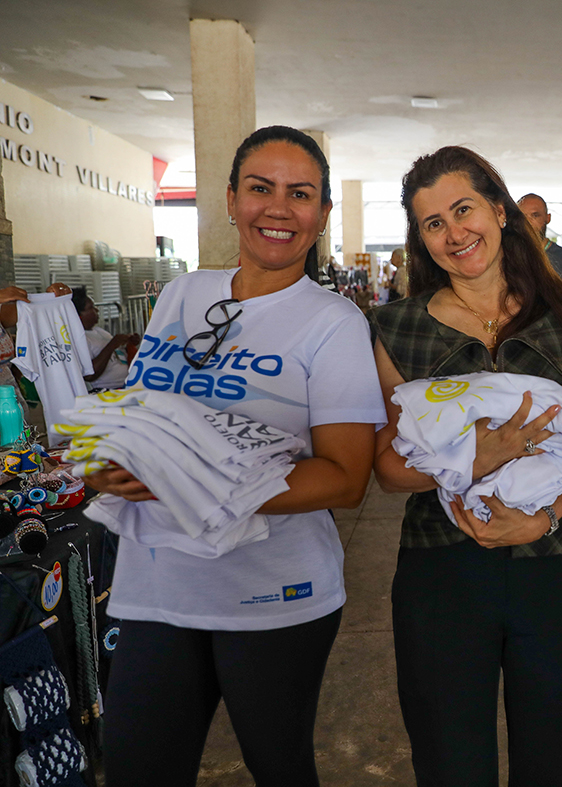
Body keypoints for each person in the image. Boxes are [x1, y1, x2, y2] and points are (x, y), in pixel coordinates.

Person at [91, 125, 386, 787]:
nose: (278, 208)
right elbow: (144, 418)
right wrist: (108, 457)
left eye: (299, 193)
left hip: (271, 593)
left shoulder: (333, 322)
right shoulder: (182, 294)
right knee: (137, 769)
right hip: (155, 585)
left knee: (279, 768)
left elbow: (345, 479)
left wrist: (185, 481)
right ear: (230, 199)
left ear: (322, 214)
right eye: (260, 188)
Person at [368, 145, 562, 786]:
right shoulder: (397, 327)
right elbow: (389, 468)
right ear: (422, 241)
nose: (455, 233)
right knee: (449, 761)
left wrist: (545, 518)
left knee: (553, 758)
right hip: (442, 569)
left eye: (464, 210)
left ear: (500, 212)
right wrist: (474, 457)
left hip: (557, 566)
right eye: (434, 223)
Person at [70, 286, 138, 390]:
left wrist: (128, 344)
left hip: (128, 383)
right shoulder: (79, 339)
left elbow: (117, 355)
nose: (97, 310)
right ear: (78, 316)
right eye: (91, 308)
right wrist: (112, 345)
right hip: (108, 390)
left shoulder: (100, 331)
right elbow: (90, 375)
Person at [518, 192, 562, 292]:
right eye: (522, 216)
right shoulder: (506, 256)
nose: (528, 222)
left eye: (535, 215)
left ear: (548, 218)